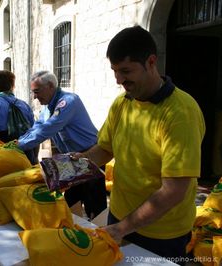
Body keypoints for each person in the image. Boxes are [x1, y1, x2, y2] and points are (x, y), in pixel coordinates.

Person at [72, 26, 205, 263]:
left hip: (163, 235)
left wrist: (123, 227)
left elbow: (173, 191)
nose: (119, 80)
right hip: (119, 219)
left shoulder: (180, 113)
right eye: (114, 71)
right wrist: (73, 167)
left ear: (151, 62)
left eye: (125, 71)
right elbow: (104, 149)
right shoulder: (122, 103)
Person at [17, 70, 106, 219]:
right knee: (71, 202)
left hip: (90, 155)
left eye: (37, 92)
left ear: (50, 86)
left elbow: (47, 129)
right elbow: (36, 128)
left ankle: (102, 236)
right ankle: (76, 232)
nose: (35, 97)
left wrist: (19, 146)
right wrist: (17, 142)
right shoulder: (47, 108)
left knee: (95, 206)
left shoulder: (68, 101)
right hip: (71, 158)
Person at [0, 70, 38, 164]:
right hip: (26, 153)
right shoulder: (24, 105)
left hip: (4, 154)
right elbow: (34, 131)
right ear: (12, 85)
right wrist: (35, 158)